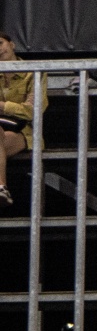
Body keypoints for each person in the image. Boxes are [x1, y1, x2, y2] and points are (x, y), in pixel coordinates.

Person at [0, 31, 38, 208]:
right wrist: (15, 107)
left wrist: (2, 106)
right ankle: (1, 188)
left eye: (0, 43)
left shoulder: (33, 72)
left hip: (24, 131)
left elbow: (32, 111)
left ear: (12, 44)